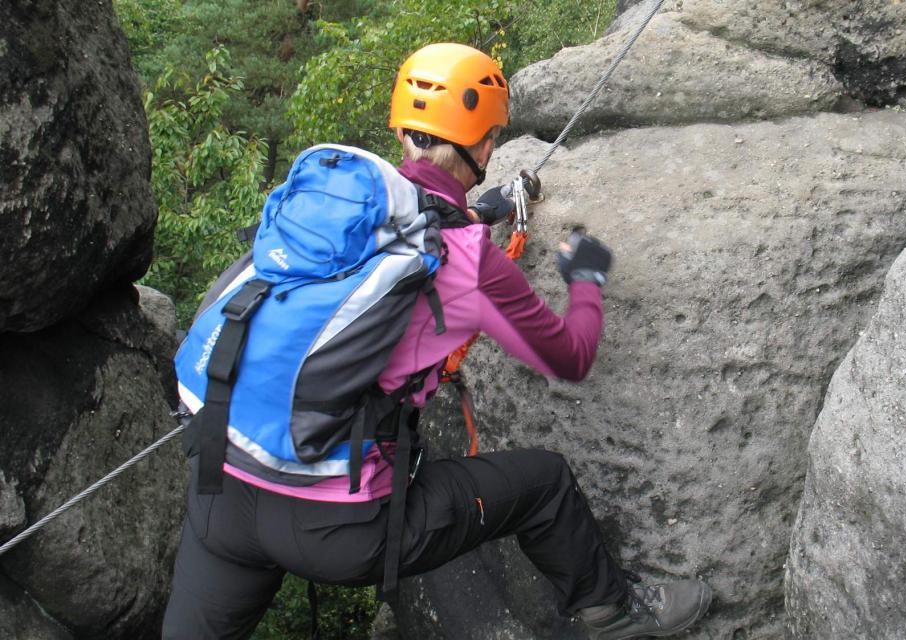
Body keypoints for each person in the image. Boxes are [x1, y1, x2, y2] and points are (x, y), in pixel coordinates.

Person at [162, 42, 712, 640]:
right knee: (545, 483)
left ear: (402, 130)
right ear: (484, 144)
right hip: (341, 528)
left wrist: (480, 212)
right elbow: (571, 357)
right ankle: (611, 612)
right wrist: (586, 281)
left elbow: (421, 231)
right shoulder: (470, 263)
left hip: (221, 491)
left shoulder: (335, 215)